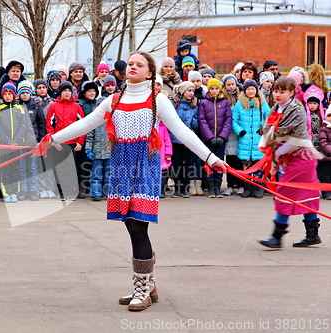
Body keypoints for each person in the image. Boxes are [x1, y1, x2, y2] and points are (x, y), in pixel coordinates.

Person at [37, 51, 227, 312]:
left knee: (138, 226)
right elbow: (87, 125)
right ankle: (148, 283)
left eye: (140, 64)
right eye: (131, 63)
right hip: (121, 168)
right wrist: (52, 139)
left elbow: (181, 131)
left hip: (145, 166)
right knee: (132, 226)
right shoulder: (113, 100)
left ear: (150, 73)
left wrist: (211, 158)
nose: (133, 66)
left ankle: (143, 289)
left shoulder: (157, 99)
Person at [258, 77, 323, 248]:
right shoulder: (276, 108)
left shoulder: (297, 109)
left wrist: (275, 154)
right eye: (275, 91)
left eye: (282, 91)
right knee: (306, 195)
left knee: (283, 193)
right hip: (290, 158)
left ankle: (277, 236)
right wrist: (264, 146)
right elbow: (269, 130)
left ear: (292, 92)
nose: (277, 95)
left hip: (302, 158)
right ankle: (312, 235)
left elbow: (295, 140)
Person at [46, 81, 85, 200]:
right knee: (60, 168)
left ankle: (72, 191)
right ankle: (61, 191)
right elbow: (49, 125)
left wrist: (80, 141)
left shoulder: (77, 106)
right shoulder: (53, 106)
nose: (67, 93)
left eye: (69, 91)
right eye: (65, 91)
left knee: (72, 168)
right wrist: (54, 141)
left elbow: (83, 125)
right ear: (60, 92)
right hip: (59, 143)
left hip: (73, 143)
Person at [232, 79, 270, 199]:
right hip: (245, 138)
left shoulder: (262, 103)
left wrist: (263, 127)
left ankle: (258, 187)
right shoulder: (239, 104)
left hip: (258, 138)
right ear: (245, 90)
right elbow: (234, 120)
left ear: (256, 90)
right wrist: (240, 131)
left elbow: (269, 117)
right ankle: (247, 187)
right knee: (246, 165)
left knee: (258, 165)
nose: (251, 91)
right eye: (248, 89)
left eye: (253, 89)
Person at [0, 81, 27, 203]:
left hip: (17, 144)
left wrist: (16, 140)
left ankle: (14, 192)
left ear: (14, 95)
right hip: (4, 144)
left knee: (16, 169)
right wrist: (7, 141)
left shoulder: (20, 108)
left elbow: (23, 126)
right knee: (5, 169)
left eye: (9, 93)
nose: (7, 96)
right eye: (5, 94)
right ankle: (6, 193)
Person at [198, 78, 232, 198]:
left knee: (220, 162)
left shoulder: (225, 103)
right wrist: (210, 136)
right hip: (208, 140)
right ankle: (210, 187)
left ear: (220, 89)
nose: (214, 91)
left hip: (221, 140)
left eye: (216, 88)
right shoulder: (203, 103)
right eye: (212, 88)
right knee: (209, 162)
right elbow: (202, 121)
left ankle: (217, 186)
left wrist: (222, 136)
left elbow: (228, 121)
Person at [17, 80, 45, 201]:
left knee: (33, 168)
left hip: (33, 142)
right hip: (20, 143)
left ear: (30, 93)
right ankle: (23, 190)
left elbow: (41, 124)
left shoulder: (36, 106)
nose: (24, 95)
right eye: (22, 93)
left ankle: (33, 190)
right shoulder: (16, 106)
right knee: (22, 168)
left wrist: (41, 140)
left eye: (27, 92)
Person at [169, 81, 199, 198]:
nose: (191, 93)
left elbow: (197, 123)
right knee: (177, 164)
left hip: (188, 139)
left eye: (193, 91)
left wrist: (193, 122)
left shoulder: (195, 106)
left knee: (187, 164)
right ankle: (177, 188)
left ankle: (185, 188)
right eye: (189, 91)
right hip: (175, 138)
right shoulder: (174, 104)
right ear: (182, 92)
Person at [221, 74, 244, 196]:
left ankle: (240, 184)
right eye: (228, 84)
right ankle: (230, 185)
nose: (231, 87)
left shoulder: (241, 98)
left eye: (232, 84)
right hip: (229, 133)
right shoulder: (223, 98)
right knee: (229, 159)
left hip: (239, 132)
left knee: (239, 160)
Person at [319, 109, 331, 200]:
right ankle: (326, 193)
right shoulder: (323, 129)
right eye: (329, 116)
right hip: (326, 157)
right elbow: (323, 142)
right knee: (326, 176)